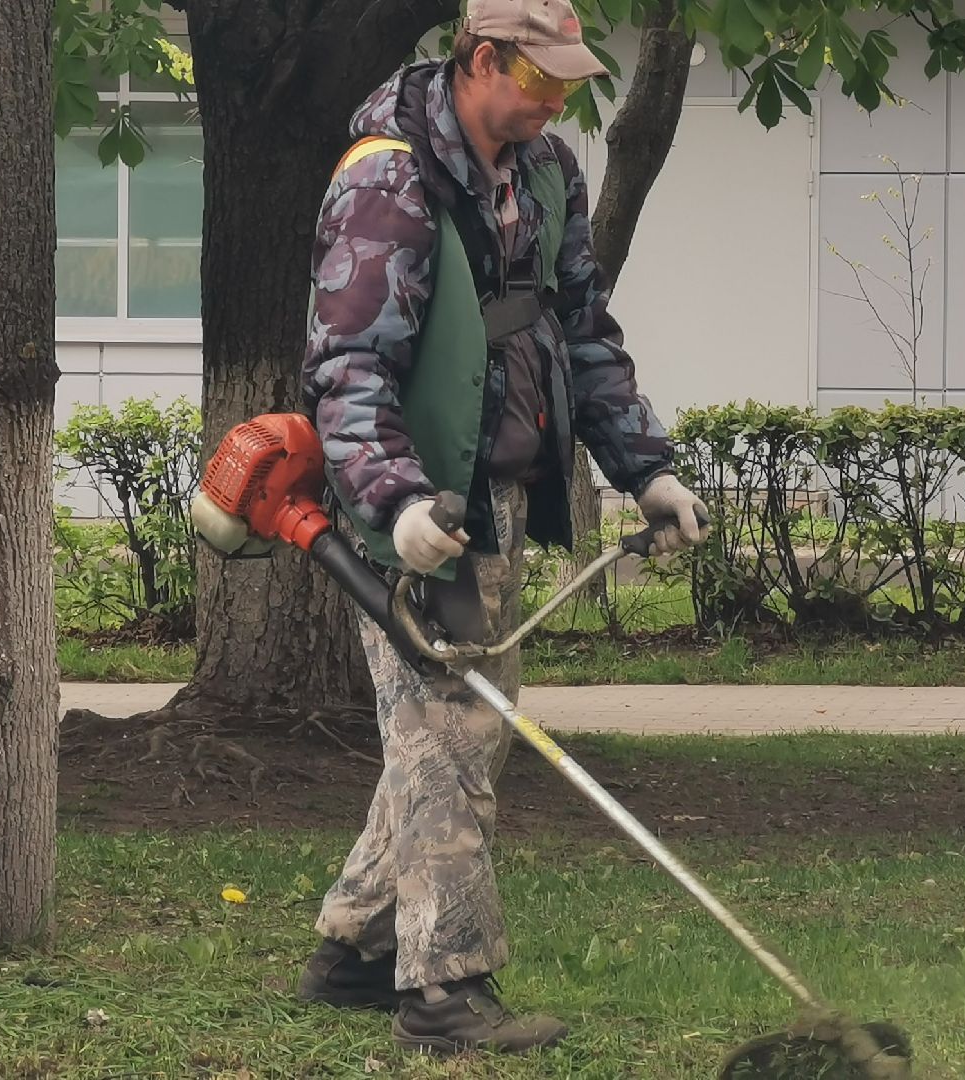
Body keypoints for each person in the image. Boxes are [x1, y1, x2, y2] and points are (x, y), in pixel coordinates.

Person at [295, 0, 710, 1059]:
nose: (557, 100)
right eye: (540, 79)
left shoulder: (546, 174)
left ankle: (353, 948)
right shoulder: (387, 178)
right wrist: (394, 501)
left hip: (502, 499)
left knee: (451, 731)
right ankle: (445, 989)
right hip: (416, 513)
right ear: (481, 60)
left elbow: (583, 333)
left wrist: (648, 470)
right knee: (449, 740)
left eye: (568, 82)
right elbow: (348, 368)